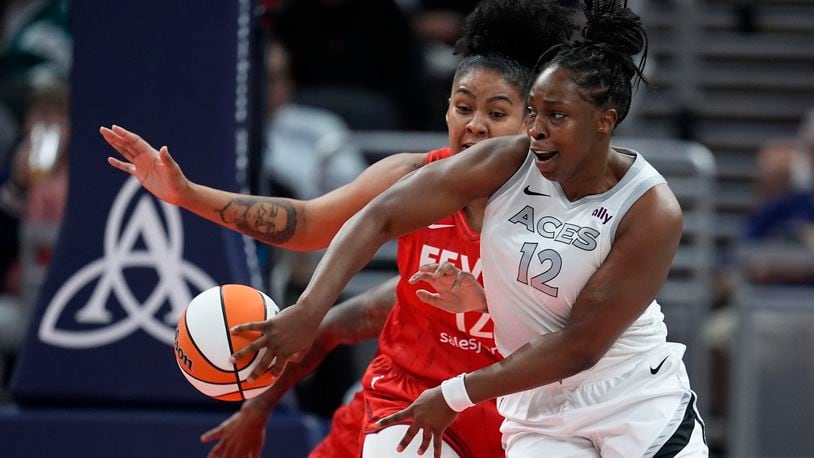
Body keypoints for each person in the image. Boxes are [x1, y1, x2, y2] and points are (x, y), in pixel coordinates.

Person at [227, 1, 710, 457]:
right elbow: (380, 216)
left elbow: (580, 345)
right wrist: (311, 308)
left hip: (625, 395)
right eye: (535, 113)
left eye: (556, 116)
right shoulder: (507, 161)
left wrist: (453, 393)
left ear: (604, 122)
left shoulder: (649, 208)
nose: (538, 129)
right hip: (537, 408)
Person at [100, 1, 577, 456]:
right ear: (446, 111)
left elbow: (583, 335)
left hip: (510, 413)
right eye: (463, 107)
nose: (474, 125)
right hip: (404, 399)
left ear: (529, 123)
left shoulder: (561, 214)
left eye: (496, 113)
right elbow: (308, 224)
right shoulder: (411, 178)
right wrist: (186, 194)